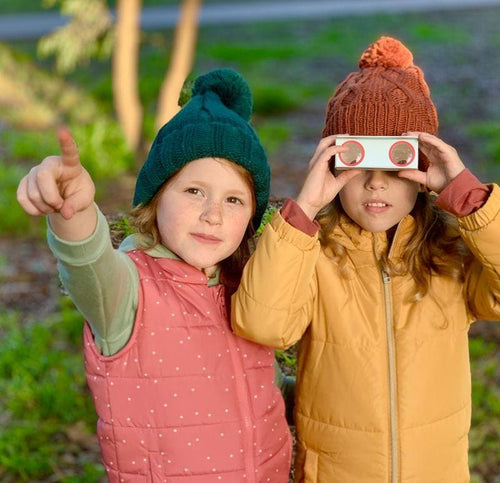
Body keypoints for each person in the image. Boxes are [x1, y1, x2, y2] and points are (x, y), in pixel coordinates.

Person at [231, 36, 500, 482]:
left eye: (397, 165)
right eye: (357, 163)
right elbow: (263, 324)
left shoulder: (450, 256)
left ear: (424, 170)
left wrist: (470, 198)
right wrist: (304, 211)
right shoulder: (311, 252)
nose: (377, 184)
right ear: (333, 165)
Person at [17, 68, 293, 482]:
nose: (213, 214)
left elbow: (262, 387)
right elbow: (88, 263)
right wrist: (71, 211)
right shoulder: (127, 292)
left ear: (251, 217)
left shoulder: (244, 290)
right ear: (156, 197)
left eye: (234, 199)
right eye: (194, 191)